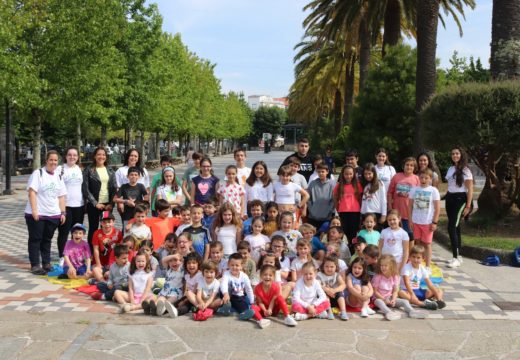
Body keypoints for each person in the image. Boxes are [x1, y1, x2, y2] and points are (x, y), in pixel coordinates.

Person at [25, 150, 67, 275]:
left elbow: (61, 196)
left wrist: (63, 212)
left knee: (47, 239)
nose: (53, 162)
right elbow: (32, 192)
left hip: (53, 214)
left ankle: (46, 263)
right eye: (51, 160)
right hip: (38, 214)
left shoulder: (58, 175)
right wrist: (34, 210)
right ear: (46, 160)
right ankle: (35, 264)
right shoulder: (38, 174)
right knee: (36, 239)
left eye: (55, 160)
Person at [372, 255, 426, 320]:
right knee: (379, 302)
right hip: (378, 297)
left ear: (391, 267)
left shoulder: (395, 276)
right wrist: (383, 299)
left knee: (405, 301)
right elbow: (375, 291)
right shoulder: (378, 277)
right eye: (381, 265)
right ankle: (389, 312)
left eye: (385, 266)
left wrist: (394, 299)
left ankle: (412, 311)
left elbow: (395, 290)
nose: (383, 267)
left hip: (389, 297)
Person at [444, 147, 473, 268]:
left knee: (451, 227)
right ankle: (459, 255)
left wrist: (468, 205)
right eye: (453, 153)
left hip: (460, 199)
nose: (455, 155)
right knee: (456, 227)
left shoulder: (466, 170)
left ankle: (455, 258)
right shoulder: (450, 169)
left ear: (461, 155)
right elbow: (450, 186)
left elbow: (470, 189)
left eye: (457, 153)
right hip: (449, 199)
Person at [82, 147, 117, 247]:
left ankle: (104, 251)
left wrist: (111, 204)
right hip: (94, 205)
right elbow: (85, 188)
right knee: (93, 228)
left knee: (106, 228)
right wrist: (95, 203)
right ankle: (91, 252)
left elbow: (114, 188)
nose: (101, 156)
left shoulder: (110, 170)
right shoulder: (89, 170)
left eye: (103, 155)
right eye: (99, 154)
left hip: (107, 205)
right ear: (94, 156)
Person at [56, 147, 84, 264]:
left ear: (78, 157)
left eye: (75, 155)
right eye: (70, 155)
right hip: (65, 206)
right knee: (64, 232)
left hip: (79, 205)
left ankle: (75, 255)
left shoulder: (80, 169)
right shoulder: (60, 169)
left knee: (77, 232)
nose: (72, 157)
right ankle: (62, 256)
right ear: (66, 156)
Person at [408, 168, 441, 270]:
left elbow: (437, 208)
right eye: (421, 177)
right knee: (417, 243)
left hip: (427, 222)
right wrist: (410, 220)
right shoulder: (414, 189)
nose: (423, 179)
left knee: (427, 244)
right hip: (416, 221)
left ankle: (427, 266)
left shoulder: (433, 190)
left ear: (430, 179)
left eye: (426, 178)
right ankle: (417, 263)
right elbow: (410, 206)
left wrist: (434, 222)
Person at [398, 245, 445, 310]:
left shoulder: (422, 268)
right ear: (409, 257)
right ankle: (422, 304)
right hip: (408, 291)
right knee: (401, 293)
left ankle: (438, 302)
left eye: (418, 257)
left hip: (418, 291)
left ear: (423, 258)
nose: (415, 259)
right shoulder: (406, 267)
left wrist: (438, 297)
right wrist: (412, 295)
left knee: (439, 290)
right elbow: (407, 283)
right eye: (413, 257)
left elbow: (430, 284)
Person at [387, 157, 420, 239]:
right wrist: (390, 209)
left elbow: (419, 197)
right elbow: (389, 193)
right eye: (407, 165)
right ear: (403, 166)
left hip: (410, 214)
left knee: (410, 237)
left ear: (414, 167)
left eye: (411, 165)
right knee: (397, 236)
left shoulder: (416, 179)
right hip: (396, 214)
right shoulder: (396, 177)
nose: (409, 167)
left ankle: (409, 252)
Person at [115, 248, 154, 313]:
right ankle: (125, 305)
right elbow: (130, 288)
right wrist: (132, 299)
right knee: (117, 292)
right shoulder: (132, 274)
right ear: (135, 262)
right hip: (134, 296)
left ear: (146, 262)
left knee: (153, 298)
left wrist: (142, 299)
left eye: (143, 261)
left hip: (144, 296)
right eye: (138, 261)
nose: (140, 263)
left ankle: (133, 307)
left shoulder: (149, 275)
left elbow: (147, 289)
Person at [218, 253, 256, 320]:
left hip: (238, 297)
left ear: (241, 266)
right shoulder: (226, 274)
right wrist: (225, 294)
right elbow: (223, 284)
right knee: (223, 292)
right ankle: (225, 307)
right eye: (232, 265)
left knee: (243, 305)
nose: (234, 267)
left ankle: (243, 314)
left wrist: (252, 302)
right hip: (227, 295)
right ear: (228, 265)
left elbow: (248, 289)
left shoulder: (244, 276)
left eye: (237, 265)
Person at [146, 251, 184, 317]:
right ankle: (154, 308)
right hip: (165, 291)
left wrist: (178, 256)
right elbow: (163, 260)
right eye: (171, 261)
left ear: (180, 261)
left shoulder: (181, 269)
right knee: (160, 300)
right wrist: (173, 256)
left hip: (175, 293)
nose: (173, 263)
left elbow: (183, 260)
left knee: (168, 302)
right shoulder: (168, 269)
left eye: (175, 260)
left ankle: (161, 309)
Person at [333, 165, 363, 245]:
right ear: (343, 174)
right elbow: (335, 197)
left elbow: (360, 198)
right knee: (344, 232)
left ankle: (353, 249)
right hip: (343, 212)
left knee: (353, 232)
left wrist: (359, 208)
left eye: (350, 174)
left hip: (355, 212)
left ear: (354, 174)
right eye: (346, 174)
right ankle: (345, 249)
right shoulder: (339, 185)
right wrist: (338, 208)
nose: (348, 176)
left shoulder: (358, 185)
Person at [91, 211, 123, 282]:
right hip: (100, 262)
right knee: (95, 270)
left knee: (111, 273)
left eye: (109, 222)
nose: (107, 224)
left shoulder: (118, 233)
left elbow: (120, 250)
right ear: (101, 223)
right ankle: (104, 282)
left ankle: (98, 279)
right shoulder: (96, 233)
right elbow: (95, 249)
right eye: (104, 222)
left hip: (113, 263)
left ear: (113, 222)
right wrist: (98, 264)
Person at [317, 255, 349, 320]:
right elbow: (317, 285)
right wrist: (327, 290)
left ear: (336, 267)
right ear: (323, 267)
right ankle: (329, 312)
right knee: (323, 294)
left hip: (335, 297)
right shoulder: (319, 275)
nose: (329, 269)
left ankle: (343, 311)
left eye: (332, 267)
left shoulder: (337, 275)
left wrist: (334, 290)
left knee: (340, 293)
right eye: (327, 266)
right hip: (324, 299)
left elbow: (343, 285)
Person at [307, 164, 335, 231]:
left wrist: (328, 211)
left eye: (322, 171)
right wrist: (312, 211)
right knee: (312, 236)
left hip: (326, 217)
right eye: (319, 172)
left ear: (327, 172)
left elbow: (333, 201)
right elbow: (308, 199)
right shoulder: (312, 183)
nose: (321, 173)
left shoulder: (332, 184)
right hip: (313, 216)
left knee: (323, 237)